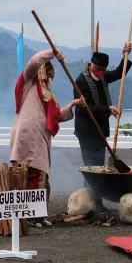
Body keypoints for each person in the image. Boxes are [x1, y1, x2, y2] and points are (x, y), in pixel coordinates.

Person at [10, 49, 85, 228]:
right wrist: (53, 52)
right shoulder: (28, 83)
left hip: (40, 136)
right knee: (33, 172)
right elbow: (35, 60)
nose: (50, 78)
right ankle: (31, 214)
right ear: (42, 71)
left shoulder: (47, 95)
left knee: (39, 173)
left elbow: (56, 115)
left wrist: (73, 104)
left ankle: (36, 214)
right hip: (27, 135)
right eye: (49, 74)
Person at [73, 43, 132, 208]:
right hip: (87, 131)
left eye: (102, 70)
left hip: (100, 130)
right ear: (90, 65)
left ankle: (94, 201)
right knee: (91, 167)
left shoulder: (103, 77)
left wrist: (125, 56)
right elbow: (86, 108)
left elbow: (119, 73)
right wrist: (108, 109)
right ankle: (92, 202)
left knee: (98, 166)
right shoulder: (81, 82)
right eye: (97, 69)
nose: (99, 73)